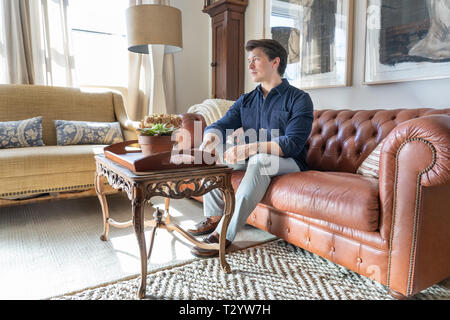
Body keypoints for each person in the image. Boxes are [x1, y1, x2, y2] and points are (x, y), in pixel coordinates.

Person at [188, 39, 314, 257]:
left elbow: (292, 144)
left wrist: (251, 148)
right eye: (249, 60)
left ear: (275, 62)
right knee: (215, 150)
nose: (250, 66)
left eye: (256, 59)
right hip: (256, 158)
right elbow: (221, 124)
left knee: (260, 160)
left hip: (290, 162)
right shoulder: (246, 100)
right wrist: (210, 138)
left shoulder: (299, 99)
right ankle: (214, 216)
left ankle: (225, 233)